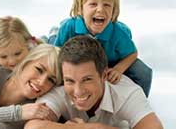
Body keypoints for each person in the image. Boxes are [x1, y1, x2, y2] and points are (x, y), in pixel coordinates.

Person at [29, 36, 163, 129]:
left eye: (87, 79)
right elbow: (33, 127)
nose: (78, 91)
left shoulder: (127, 93)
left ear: (103, 75)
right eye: (70, 81)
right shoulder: (58, 90)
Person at [52, 0, 152, 97]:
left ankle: (139, 102)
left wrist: (118, 69)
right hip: (76, 55)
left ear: (114, 10)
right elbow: (57, 51)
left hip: (110, 60)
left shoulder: (117, 32)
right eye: (93, 4)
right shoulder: (69, 27)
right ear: (80, 8)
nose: (100, 9)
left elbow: (132, 53)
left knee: (143, 72)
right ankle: (52, 33)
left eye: (107, 5)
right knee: (51, 51)